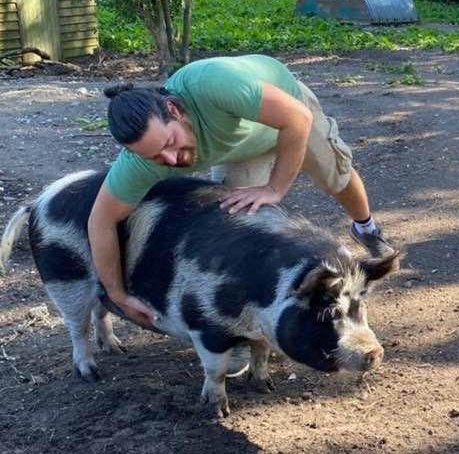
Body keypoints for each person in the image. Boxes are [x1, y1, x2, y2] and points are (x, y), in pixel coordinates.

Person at [89, 54, 394, 330]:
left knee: (334, 178)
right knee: (235, 220)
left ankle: (366, 227)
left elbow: (297, 118)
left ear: (174, 110)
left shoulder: (214, 84)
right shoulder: (141, 161)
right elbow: (100, 222)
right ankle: (254, 315)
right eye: (155, 156)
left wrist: (274, 188)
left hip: (290, 114)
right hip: (242, 147)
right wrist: (117, 294)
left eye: (170, 143)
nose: (170, 160)